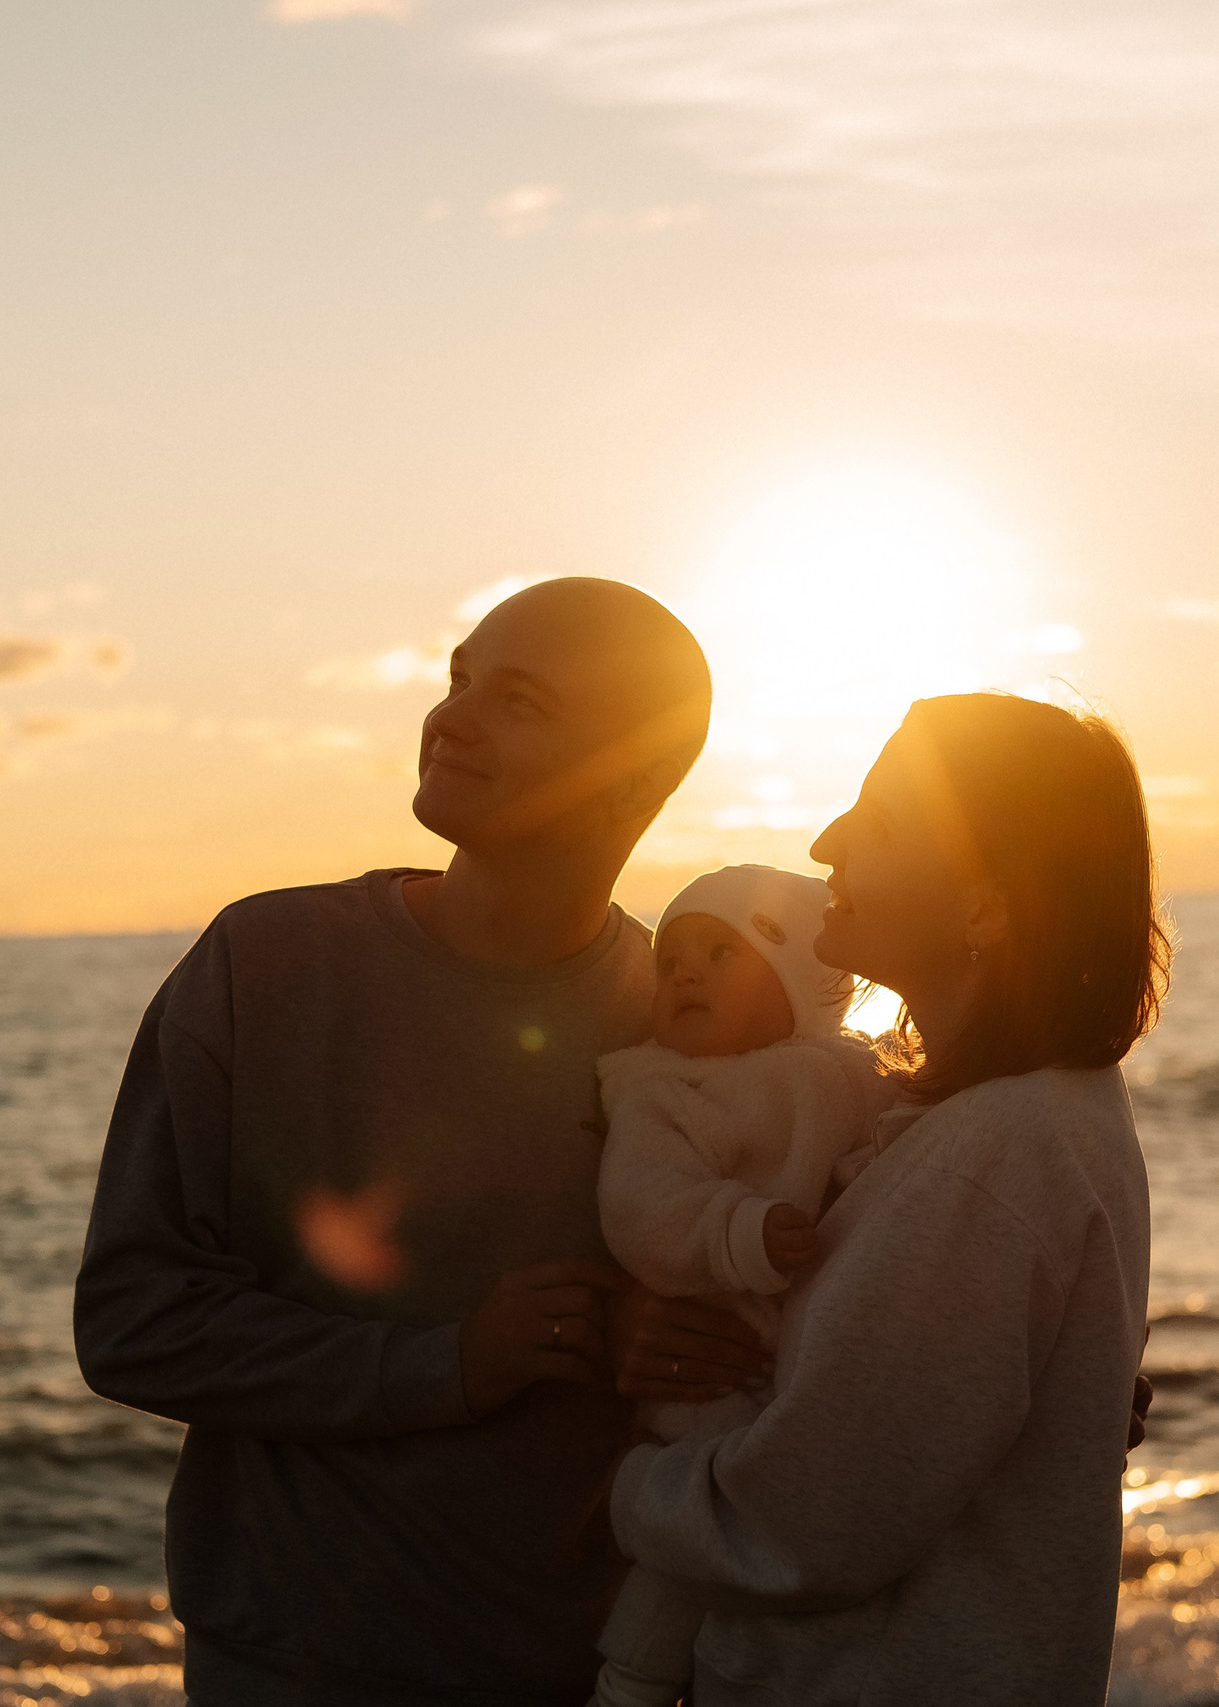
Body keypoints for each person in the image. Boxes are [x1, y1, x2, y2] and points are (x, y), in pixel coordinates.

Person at [73, 577, 765, 1707]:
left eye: (519, 701)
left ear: (633, 779)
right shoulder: (266, 962)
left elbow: (784, 1308)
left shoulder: (680, 1025)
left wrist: (650, 1331)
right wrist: (448, 1365)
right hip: (288, 1663)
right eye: (459, 679)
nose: (451, 718)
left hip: (574, 1672)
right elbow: (132, 1320)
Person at [606, 691, 1169, 1706]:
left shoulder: (994, 1154)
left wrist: (610, 1479)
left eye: (877, 822)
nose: (827, 842)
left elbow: (803, 1525)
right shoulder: (1011, 1114)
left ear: (984, 907)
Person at [586, 864, 898, 1707]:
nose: (685, 972)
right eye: (671, 961)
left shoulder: (857, 1073)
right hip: (711, 1371)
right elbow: (640, 1206)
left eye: (719, 952)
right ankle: (630, 1682)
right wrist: (736, 1230)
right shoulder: (665, 1088)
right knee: (689, 1547)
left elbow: (914, 1174)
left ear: (798, 979)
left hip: (807, 1370)